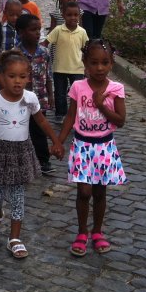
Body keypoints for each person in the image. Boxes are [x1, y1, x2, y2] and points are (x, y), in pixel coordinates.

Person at [0, 50, 61, 259]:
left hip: (21, 152)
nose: (17, 82)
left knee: (18, 196)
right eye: (12, 76)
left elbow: (41, 121)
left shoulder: (30, 98)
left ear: (28, 77)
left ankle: (15, 238)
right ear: (2, 76)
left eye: (22, 77)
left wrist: (56, 140)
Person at [56, 39, 127, 257]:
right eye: (94, 63)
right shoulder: (78, 87)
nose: (99, 68)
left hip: (104, 146)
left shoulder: (116, 89)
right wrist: (59, 141)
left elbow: (121, 120)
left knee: (99, 191)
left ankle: (97, 231)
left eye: (104, 63)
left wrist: (100, 105)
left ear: (111, 64)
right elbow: (70, 116)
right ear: (85, 63)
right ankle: (81, 232)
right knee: (83, 191)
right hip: (82, 144)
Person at [17, 14, 57, 176]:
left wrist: (51, 95)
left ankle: (43, 160)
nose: (37, 33)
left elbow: (48, 75)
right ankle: (20, 160)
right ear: (21, 32)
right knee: (21, 130)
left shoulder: (44, 52)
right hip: (20, 100)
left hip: (40, 99)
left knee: (39, 129)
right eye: (32, 30)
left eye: (38, 29)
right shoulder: (16, 53)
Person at [47, 1, 88, 124]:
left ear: (79, 16)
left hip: (77, 68)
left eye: (76, 15)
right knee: (60, 93)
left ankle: (76, 114)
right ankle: (60, 113)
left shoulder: (82, 32)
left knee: (77, 94)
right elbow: (46, 42)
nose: (73, 18)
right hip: (60, 68)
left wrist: (88, 67)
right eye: (69, 15)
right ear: (63, 15)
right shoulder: (58, 30)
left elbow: (86, 49)